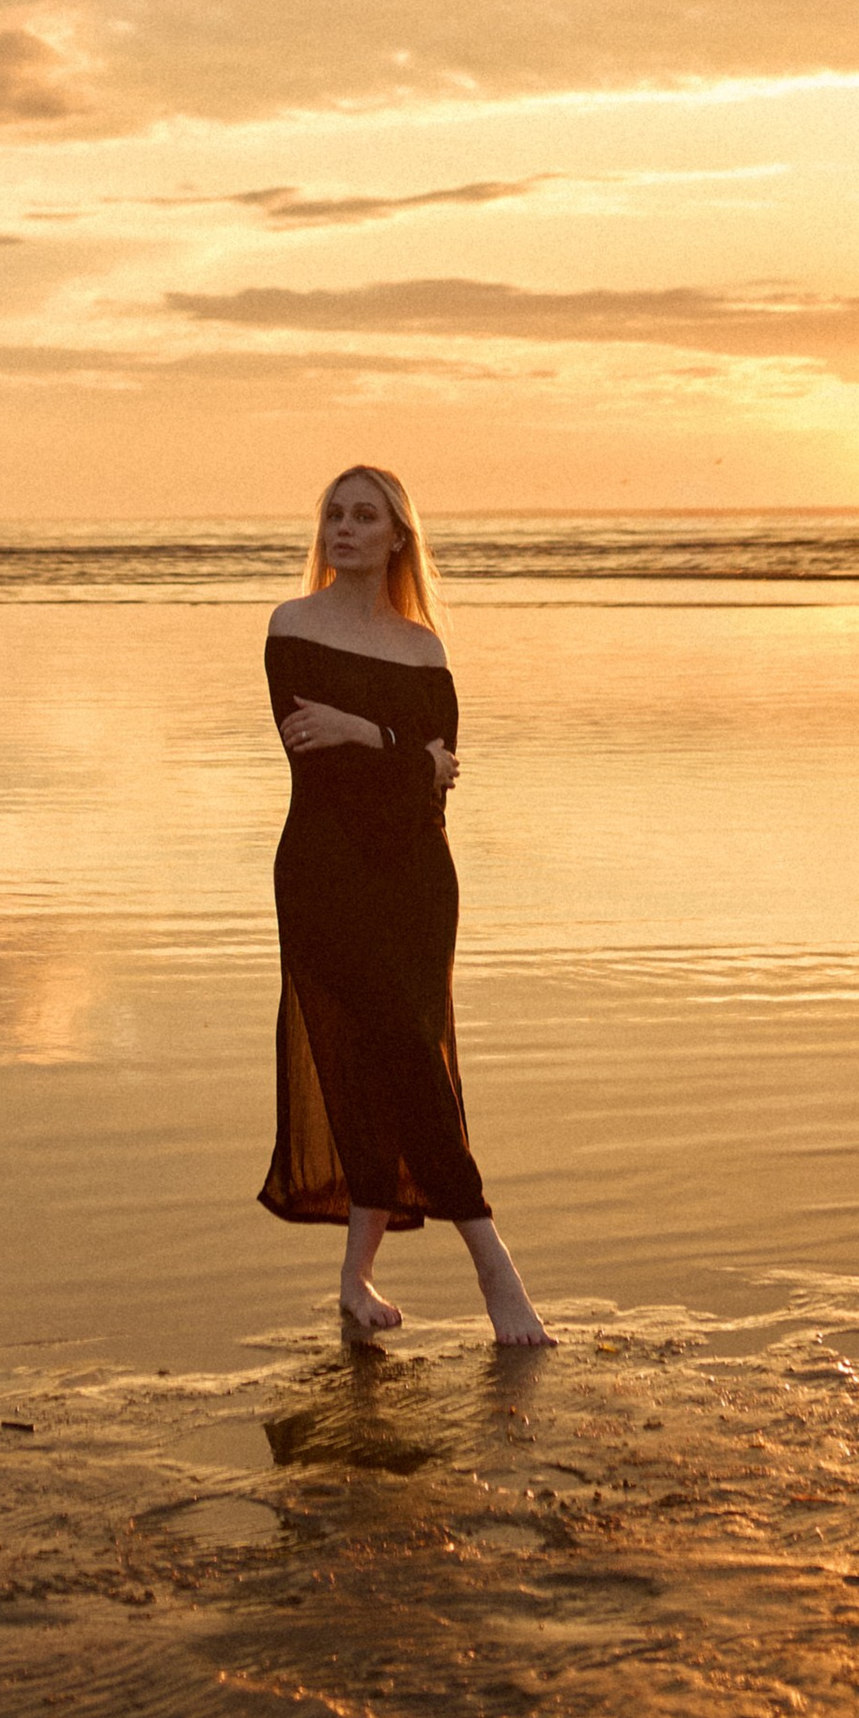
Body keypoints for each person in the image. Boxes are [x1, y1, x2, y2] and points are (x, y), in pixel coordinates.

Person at [258, 462, 551, 1347]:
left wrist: (368, 735)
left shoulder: (424, 647)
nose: (345, 527)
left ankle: (355, 1279)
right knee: (384, 1053)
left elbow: (436, 784)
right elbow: (322, 764)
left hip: (420, 880)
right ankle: (494, 1266)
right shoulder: (291, 626)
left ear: (397, 536)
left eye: (365, 515)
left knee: (401, 1056)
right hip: (324, 874)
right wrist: (393, 747)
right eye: (334, 514)